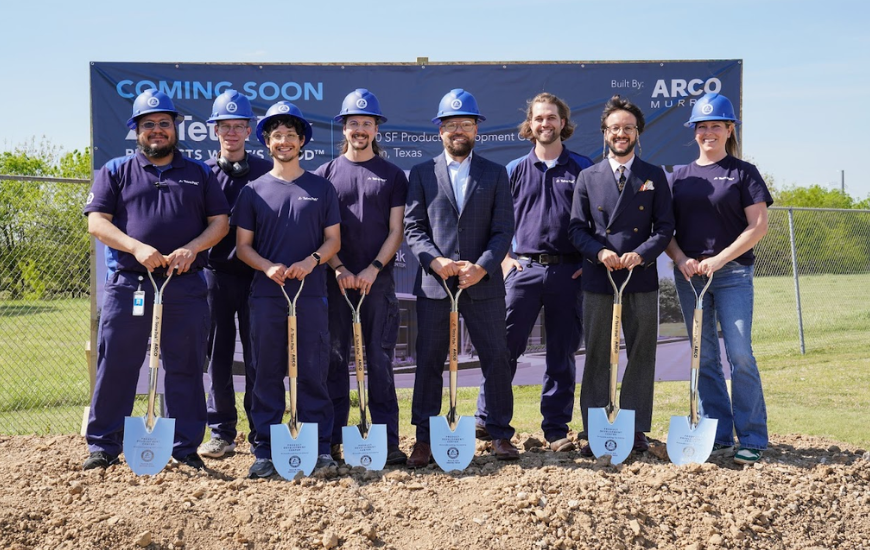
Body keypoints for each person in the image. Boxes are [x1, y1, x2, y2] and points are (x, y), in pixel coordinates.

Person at [83, 89, 230, 470]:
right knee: (117, 364)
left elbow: (220, 222)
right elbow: (97, 222)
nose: (157, 130)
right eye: (149, 124)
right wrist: (136, 248)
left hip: (185, 285)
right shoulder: (115, 170)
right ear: (137, 130)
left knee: (185, 367)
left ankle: (184, 448)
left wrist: (192, 249)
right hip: (130, 285)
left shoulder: (199, 173)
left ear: (174, 128)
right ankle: (103, 445)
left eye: (165, 123)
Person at [404, 88, 519, 467]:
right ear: (440, 130)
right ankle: (424, 439)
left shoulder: (495, 173)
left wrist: (482, 266)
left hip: (483, 284)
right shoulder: (422, 173)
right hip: (436, 286)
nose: (458, 130)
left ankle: (500, 433)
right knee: (429, 362)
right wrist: (435, 261)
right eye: (451, 124)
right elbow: (414, 228)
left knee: (496, 358)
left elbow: (503, 229)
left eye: (466, 124)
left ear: (476, 130)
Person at [475, 93, 593, 452]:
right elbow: (495, 223)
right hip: (522, 271)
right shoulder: (512, 170)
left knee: (561, 354)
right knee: (503, 348)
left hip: (568, 274)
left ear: (563, 123)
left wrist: (586, 264)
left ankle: (555, 430)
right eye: (539, 118)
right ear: (530, 124)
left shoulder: (583, 167)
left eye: (551, 117)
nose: (545, 124)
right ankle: (488, 419)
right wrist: (505, 260)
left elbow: (595, 223)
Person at [234, 101, 342, 479]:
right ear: (266, 142)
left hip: (311, 294)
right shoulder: (252, 191)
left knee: (312, 370)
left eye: (290, 136)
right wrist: (267, 267)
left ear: (302, 142)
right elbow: (243, 247)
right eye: (277, 135)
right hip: (267, 296)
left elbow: (333, 241)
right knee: (266, 372)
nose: (284, 141)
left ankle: (320, 448)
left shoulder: (321, 188)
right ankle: (265, 450)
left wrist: (311, 261)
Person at [665, 92, 772, 465]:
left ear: (729, 129)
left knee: (740, 354)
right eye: (702, 126)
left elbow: (758, 226)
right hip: (690, 278)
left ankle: (752, 437)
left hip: (732, 275)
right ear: (694, 131)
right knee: (705, 357)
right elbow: (665, 231)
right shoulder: (678, 177)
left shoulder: (744, 173)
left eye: (715, 126)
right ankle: (719, 435)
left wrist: (720, 259)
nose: (708, 132)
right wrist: (681, 259)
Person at [568, 94, 674, 457]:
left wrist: (640, 254)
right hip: (599, 278)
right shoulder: (588, 176)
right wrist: (600, 252)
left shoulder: (653, 176)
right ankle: (595, 427)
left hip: (639, 277)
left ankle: (635, 426)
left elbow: (665, 228)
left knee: (642, 351)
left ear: (637, 133)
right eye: (615, 128)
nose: (621, 133)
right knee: (598, 352)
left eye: (628, 127)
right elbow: (576, 228)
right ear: (605, 133)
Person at [313, 89, 409, 466]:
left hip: (377, 283)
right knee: (334, 362)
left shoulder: (392, 175)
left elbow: (396, 230)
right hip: (334, 282)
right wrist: (339, 268)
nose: (360, 129)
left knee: (379, 361)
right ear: (344, 128)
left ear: (376, 129)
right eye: (353, 122)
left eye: (366, 123)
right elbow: (322, 233)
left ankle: (387, 441)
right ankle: (333, 441)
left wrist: (373, 268)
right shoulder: (325, 175)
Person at [198, 90, 272, 459]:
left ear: (248, 130)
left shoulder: (265, 171)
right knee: (219, 356)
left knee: (258, 355)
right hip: (216, 276)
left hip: (258, 275)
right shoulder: (203, 173)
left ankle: (261, 432)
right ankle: (222, 432)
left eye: (238, 126)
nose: (231, 133)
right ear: (215, 130)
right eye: (224, 126)